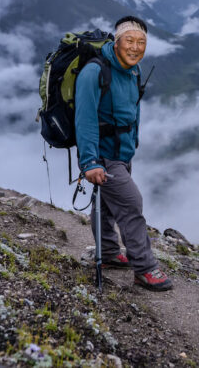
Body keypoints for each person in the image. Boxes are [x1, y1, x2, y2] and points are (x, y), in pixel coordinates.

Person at [74, 16, 173, 291]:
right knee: (131, 204)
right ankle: (145, 269)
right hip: (103, 156)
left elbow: (133, 110)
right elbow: (85, 120)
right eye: (129, 40)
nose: (135, 47)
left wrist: (134, 141)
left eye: (141, 42)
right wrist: (90, 162)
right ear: (116, 42)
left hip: (123, 152)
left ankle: (107, 252)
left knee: (106, 205)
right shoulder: (94, 72)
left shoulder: (133, 70)